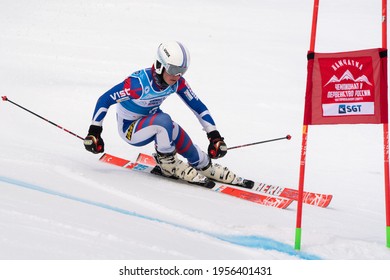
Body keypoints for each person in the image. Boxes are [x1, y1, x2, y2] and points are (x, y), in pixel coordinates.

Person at [84, 41, 249, 187]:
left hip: (153, 122)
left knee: (173, 128)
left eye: (182, 71)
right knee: (164, 121)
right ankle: (167, 163)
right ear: (159, 65)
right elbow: (104, 100)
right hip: (130, 130)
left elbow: (197, 106)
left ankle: (204, 164)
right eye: (174, 69)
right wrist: (94, 132)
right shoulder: (137, 85)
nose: (177, 76)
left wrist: (214, 136)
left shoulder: (176, 82)